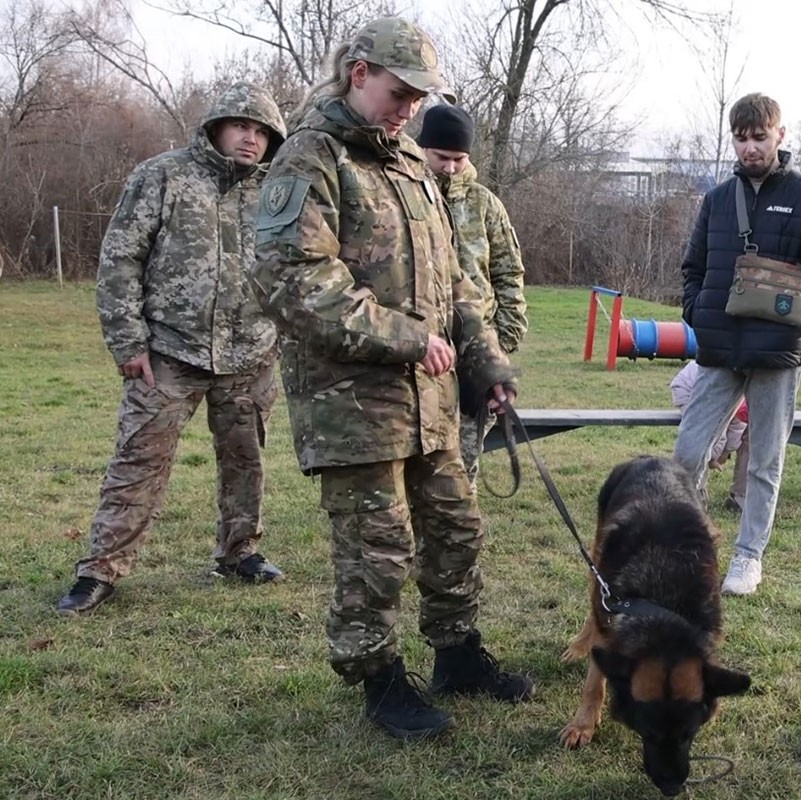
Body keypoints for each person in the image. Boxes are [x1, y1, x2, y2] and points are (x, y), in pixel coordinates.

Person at [251, 16, 534, 743]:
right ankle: (377, 679)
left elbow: (457, 287)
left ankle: (458, 655)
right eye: (399, 92)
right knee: (376, 550)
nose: (408, 108)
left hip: (433, 402)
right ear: (358, 73)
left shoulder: (412, 166)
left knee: (455, 532)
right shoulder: (311, 159)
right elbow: (295, 282)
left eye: (418, 97)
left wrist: (488, 365)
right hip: (355, 404)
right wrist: (408, 338)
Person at [56, 83, 288, 616]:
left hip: (250, 354)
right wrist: (127, 339)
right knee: (137, 460)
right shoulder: (163, 175)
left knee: (245, 461)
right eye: (240, 126)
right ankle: (100, 570)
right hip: (167, 354)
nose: (250, 139)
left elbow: (294, 266)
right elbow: (120, 260)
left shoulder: (277, 190)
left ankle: (240, 552)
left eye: (261, 131)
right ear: (215, 126)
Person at [676, 92, 801, 596]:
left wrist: (793, 328)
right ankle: (692, 545)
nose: (750, 147)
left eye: (759, 136)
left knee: (764, 462)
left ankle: (748, 557)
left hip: (776, 358)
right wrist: (698, 316)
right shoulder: (715, 200)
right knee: (687, 453)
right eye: (741, 137)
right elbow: (692, 270)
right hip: (719, 352)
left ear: (780, 135)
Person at [417, 103, 528, 485]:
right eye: (441, 157)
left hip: (476, 354)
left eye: (458, 159)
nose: (449, 167)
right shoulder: (407, 195)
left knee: (463, 468)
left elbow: (508, 272)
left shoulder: (485, 204)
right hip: (419, 349)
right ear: (423, 149)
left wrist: (502, 342)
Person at [669, 360, 748, 511]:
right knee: (704, 437)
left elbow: (737, 428)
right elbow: (718, 434)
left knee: (720, 434)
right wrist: (717, 456)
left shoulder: (743, 403)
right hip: (687, 390)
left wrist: (726, 451)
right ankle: (695, 493)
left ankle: (739, 497)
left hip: (713, 384)